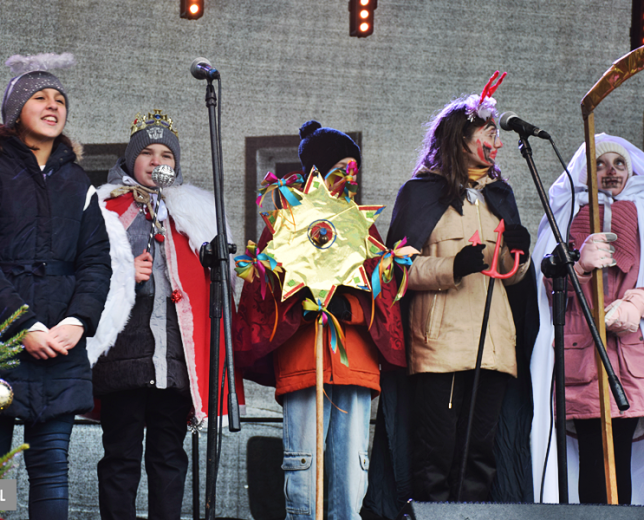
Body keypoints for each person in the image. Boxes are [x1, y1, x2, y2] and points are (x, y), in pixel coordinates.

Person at [0, 54, 111, 519]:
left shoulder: (78, 181)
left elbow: (97, 261)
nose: (52, 105)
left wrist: (78, 321)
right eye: (39, 97)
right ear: (15, 111)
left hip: (62, 344)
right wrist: (25, 327)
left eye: (60, 99)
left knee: (50, 470)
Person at [235, 121, 406, 519]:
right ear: (317, 170)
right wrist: (298, 298)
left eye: (353, 170)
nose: (348, 177)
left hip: (355, 364)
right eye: (340, 168)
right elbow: (261, 291)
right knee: (303, 469)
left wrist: (353, 310)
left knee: (351, 475)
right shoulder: (286, 223)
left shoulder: (363, 224)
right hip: (302, 361)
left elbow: (385, 293)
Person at [385, 73, 536, 502]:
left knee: (479, 459)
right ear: (460, 137)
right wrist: (452, 266)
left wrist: (516, 256)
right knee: (436, 458)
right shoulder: (420, 194)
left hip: (493, 347)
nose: (497, 141)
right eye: (488, 132)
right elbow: (397, 270)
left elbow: (513, 278)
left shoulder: (499, 196)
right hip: (440, 348)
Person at [87, 109, 240, 520]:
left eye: (167, 156)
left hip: (173, 360)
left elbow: (217, 285)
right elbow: (84, 273)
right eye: (148, 154)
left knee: (169, 456)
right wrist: (122, 272)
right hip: (123, 356)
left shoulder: (195, 213)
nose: (158, 162)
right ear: (130, 160)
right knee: (120, 455)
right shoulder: (106, 207)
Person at [531, 134, 644, 504]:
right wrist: (577, 265)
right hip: (580, 350)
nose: (610, 171)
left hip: (627, 355)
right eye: (600, 163)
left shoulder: (642, 213)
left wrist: (637, 304)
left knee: (621, 460)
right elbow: (546, 283)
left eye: (619, 164)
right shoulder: (568, 212)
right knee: (593, 457)